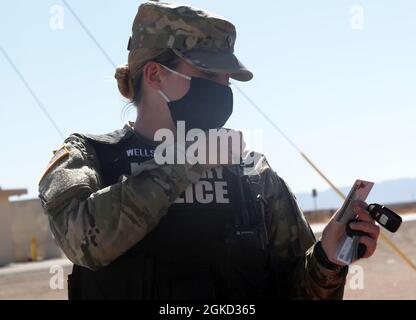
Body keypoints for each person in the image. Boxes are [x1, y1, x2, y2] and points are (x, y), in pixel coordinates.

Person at [38, 1, 380, 300]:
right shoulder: (89, 157)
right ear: (155, 74)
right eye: (207, 73)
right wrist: (185, 161)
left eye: (227, 79)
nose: (223, 89)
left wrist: (328, 259)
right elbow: (83, 242)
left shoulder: (252, 174)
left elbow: (295, 289)